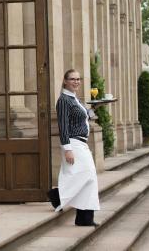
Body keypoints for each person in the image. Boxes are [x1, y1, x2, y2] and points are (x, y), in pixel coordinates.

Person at [47, 69, 101, 227]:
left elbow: (81, 118)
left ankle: (84, 219)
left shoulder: (74, 99)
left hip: (81, 143)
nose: (76, 82)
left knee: (88, 179)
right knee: (87, 175)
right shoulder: (63, 100)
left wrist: (92, 111)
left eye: (78, 79)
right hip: (73, 143)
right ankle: (56, 195)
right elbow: (63, 126)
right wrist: (67, 149)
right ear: (65, 81)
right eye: (72, 79)